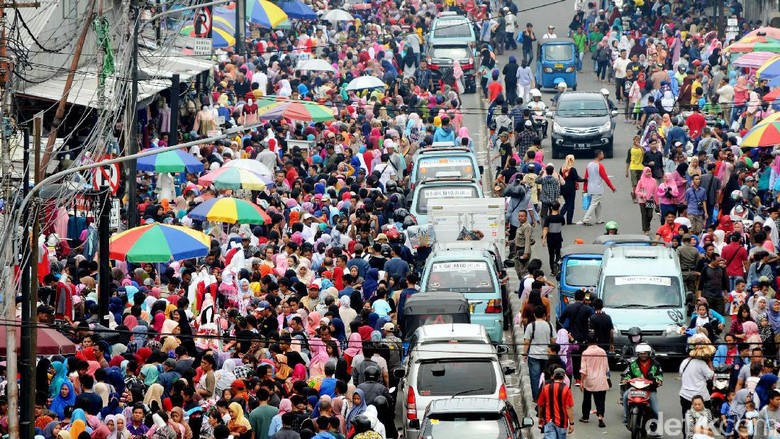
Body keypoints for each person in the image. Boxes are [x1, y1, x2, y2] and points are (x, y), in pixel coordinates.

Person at [621, 343, 663, 426]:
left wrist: (659, 380)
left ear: (649, 353)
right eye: (641, 353)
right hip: (635, 388)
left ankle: (654, 428)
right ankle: (626, 417)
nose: (643, 355)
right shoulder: (633, 364)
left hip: (649, 389)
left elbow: (659, 374)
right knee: (625, 396)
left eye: (645, 353)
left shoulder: (655, 364)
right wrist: (626, 379)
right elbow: (628, 374)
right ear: (638, 354)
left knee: (656, 411)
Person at [524, 306, 555, 400]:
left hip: (534, 355)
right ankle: (546, 397)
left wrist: (525, 354)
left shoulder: (531, 326)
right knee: (547, 377)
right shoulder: (549, 325)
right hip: (546, 355)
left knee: (535, 378)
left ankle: (537, 398)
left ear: (534, 315)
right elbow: (553, 340)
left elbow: (526, 342)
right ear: (544, 315)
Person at [579, 337, 609, 428]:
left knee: (587, 399)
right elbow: (606, 367)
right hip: (601, 379)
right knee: (600, 400)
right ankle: (600, 417)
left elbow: (584, 369)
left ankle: (585, 417)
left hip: (589, 379)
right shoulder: (602, 351)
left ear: (587, 342)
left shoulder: (585, 353)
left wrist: (581, 381)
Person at [581, 150, 616, 226]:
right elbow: (605, 178)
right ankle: (586, 219)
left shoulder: (589, 165)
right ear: (599, 155)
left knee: (598, 204)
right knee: (594, 204)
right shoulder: (600, 166)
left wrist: (585, 188)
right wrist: (612, 187)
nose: (603, 156)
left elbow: (586, 177)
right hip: (597, 188)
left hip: (590, 187)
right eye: (602, 154)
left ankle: (599, 219)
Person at [537, 368, 575, 439]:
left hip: (549, 420)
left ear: (553, 376)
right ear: (563, 377)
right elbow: (568, 407)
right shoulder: (566, 389)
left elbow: (540, 404)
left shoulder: (546, 388)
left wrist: (540, 417)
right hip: (562, 422)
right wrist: (572, 423)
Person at [542, 202, 565, 275]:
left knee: (551, 254)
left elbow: (545, 228)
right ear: (558, 208)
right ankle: (556, 263)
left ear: (551, 208)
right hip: (558, 237)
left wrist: (543, 239)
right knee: (558, 253)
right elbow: (563, 224)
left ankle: (552, 270)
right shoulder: (561, 217)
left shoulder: (548, 218)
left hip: (550, 238)